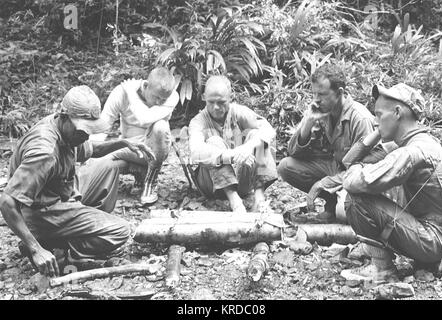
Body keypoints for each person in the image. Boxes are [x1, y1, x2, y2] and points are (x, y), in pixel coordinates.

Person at [0, 86, 153, 277]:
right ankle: (56, 248)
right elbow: (6, 202)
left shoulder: (66, 130)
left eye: (90, 130)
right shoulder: (44, 152)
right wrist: (35, 248)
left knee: (109, 166)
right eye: (83, 131)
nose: (86, 136)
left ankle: (63, 236)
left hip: (62, 194)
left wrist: (123, 143)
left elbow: (92, 150)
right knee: (121, 230)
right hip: (42, 212)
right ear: (63, 116)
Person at [341, 83, 442, 282]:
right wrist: (379, 131)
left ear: (397, 112)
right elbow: (348, 160)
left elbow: (355, 182)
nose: (374, 120)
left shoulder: (412, 152)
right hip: (434, 238)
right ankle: (424, 263)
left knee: (356, 200)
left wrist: (358, 169)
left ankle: (382, 269)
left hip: (432, 240)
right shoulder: (422, 142)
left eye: (379, 115)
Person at [278, 64, 375, 223]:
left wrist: (323, 183)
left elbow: (367, 171)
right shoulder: (320, 110)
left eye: (322, 94)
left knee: (343, 214)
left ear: (340, 93)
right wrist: (307, 125)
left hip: (356, 178)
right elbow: (293, 152)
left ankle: (344, 207)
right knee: (286, 166)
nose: (316, 99)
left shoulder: (359, 119)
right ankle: (332, 203)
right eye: (314, 93)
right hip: (336, 167)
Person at [87, 66, 179, 206]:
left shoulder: (172, 97)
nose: (160, 102)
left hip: (153, 150)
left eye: (163, 99)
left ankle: (150, 181)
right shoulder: (121, 92)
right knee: (95, 163)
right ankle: (138, 172)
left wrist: (131, 93)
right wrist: (89, 153)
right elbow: (103, 126)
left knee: (161, 127)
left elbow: (145, 119)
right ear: (146, 86)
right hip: (128, 147)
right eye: (157, 97)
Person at [188, 75, 278, 213]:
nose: (216, 107)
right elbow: (196, 152)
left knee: (257, 137)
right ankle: (234, 201)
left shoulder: (239, 112)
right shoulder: (197, 121)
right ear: (203, 97)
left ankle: (259, 199)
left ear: (230, 97)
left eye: (221, 102)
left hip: (241, 180)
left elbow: (268, 130)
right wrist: (231, 155)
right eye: (211, 102)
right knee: (214, 142)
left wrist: (248, 148)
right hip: (211, 185)